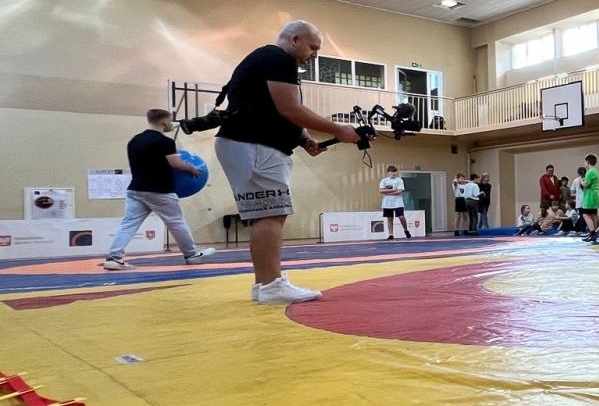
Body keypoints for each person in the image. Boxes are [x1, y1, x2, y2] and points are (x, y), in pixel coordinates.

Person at [214, 21, 360, 303]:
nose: (315, 54)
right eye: (313, 47)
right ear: (295, 39)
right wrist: (337, 129)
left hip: (250, 144)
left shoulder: (268, 59)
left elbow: (276, 111)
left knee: (266, 213)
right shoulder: (278, 59)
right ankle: (270, 286)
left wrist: (304, 140)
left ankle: (264, 284)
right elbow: (290, 109)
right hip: (254, 145)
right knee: (271, 213)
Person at [100, 108, 217, 270]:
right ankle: (191, 255)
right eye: (169, 121)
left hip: (136, 190)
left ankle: (114, 258)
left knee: (128, 224)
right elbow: (175, 163)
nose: (170, 124)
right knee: (176, 222)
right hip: (160, 191)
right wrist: (191, 169)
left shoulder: (134, 140)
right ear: (163, 122)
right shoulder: (165, 142)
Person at [378, 165, 412, 240]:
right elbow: (381, 191)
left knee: (401, 217)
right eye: (392, 172)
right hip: (387, 203)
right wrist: (394, 190)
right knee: (389, 218)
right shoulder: (384, 180)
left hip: (398, 202)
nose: (393, 174)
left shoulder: (399, 180)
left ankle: (406, 230)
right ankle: (391, 234)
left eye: (395, 172)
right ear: (388, 173)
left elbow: (399, 191)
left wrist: (387, 192)